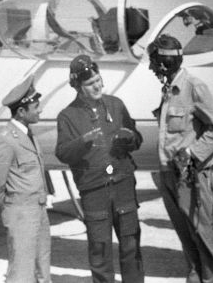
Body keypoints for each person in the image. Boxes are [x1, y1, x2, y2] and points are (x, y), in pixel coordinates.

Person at [55, 54, 144, 283]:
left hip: (123, 185)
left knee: (131, 245)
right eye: (90, 84)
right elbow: (62, 153)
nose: (97, 86)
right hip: (94, 191)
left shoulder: (116, 104)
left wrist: (130, 137)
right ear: (77, 86)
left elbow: (138, 139)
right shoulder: (67, 116)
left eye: (98, 80)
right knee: (100, 250)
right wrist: (83, 140)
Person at [147, 34, 213, 283]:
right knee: (185, 236)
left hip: (189, 177)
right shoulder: (168, 90)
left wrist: (193, 153)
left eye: (153, 62)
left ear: (164, 63)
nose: (151, 68)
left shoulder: (194, 87)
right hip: (168, 174)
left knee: (202, 238)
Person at [0, 74, 51, 283]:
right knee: (21, 273)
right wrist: (9, 212)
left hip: (39, 211)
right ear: (22, 111)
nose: (40, 110)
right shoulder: (7, 140)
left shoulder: (29, 135)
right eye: (36, 107)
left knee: (43, 270)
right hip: (21, 213)